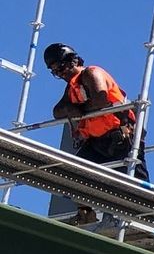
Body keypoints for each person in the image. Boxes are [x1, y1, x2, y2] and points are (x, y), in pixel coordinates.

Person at [44, 43, 147, 180]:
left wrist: (79, 110)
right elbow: (57, 112)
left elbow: (100, 100)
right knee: (75, 176)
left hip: (121, 138)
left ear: (73, 61)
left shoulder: (92, 73)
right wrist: (68, 109)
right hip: (97, 142)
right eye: (54, 72)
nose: (60, 73)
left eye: (60, 67)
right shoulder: (72, 87)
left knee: (134, 182)